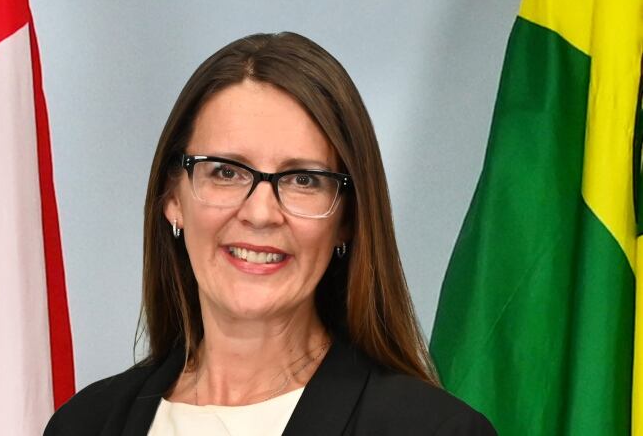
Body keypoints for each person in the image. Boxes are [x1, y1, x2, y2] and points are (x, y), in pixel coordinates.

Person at [44, 32, 496, 436]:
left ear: (348, 218)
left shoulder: (433, 430)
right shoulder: (83, 424)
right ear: (173, 199)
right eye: (225, 171)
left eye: (303, 179)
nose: (260, 213)